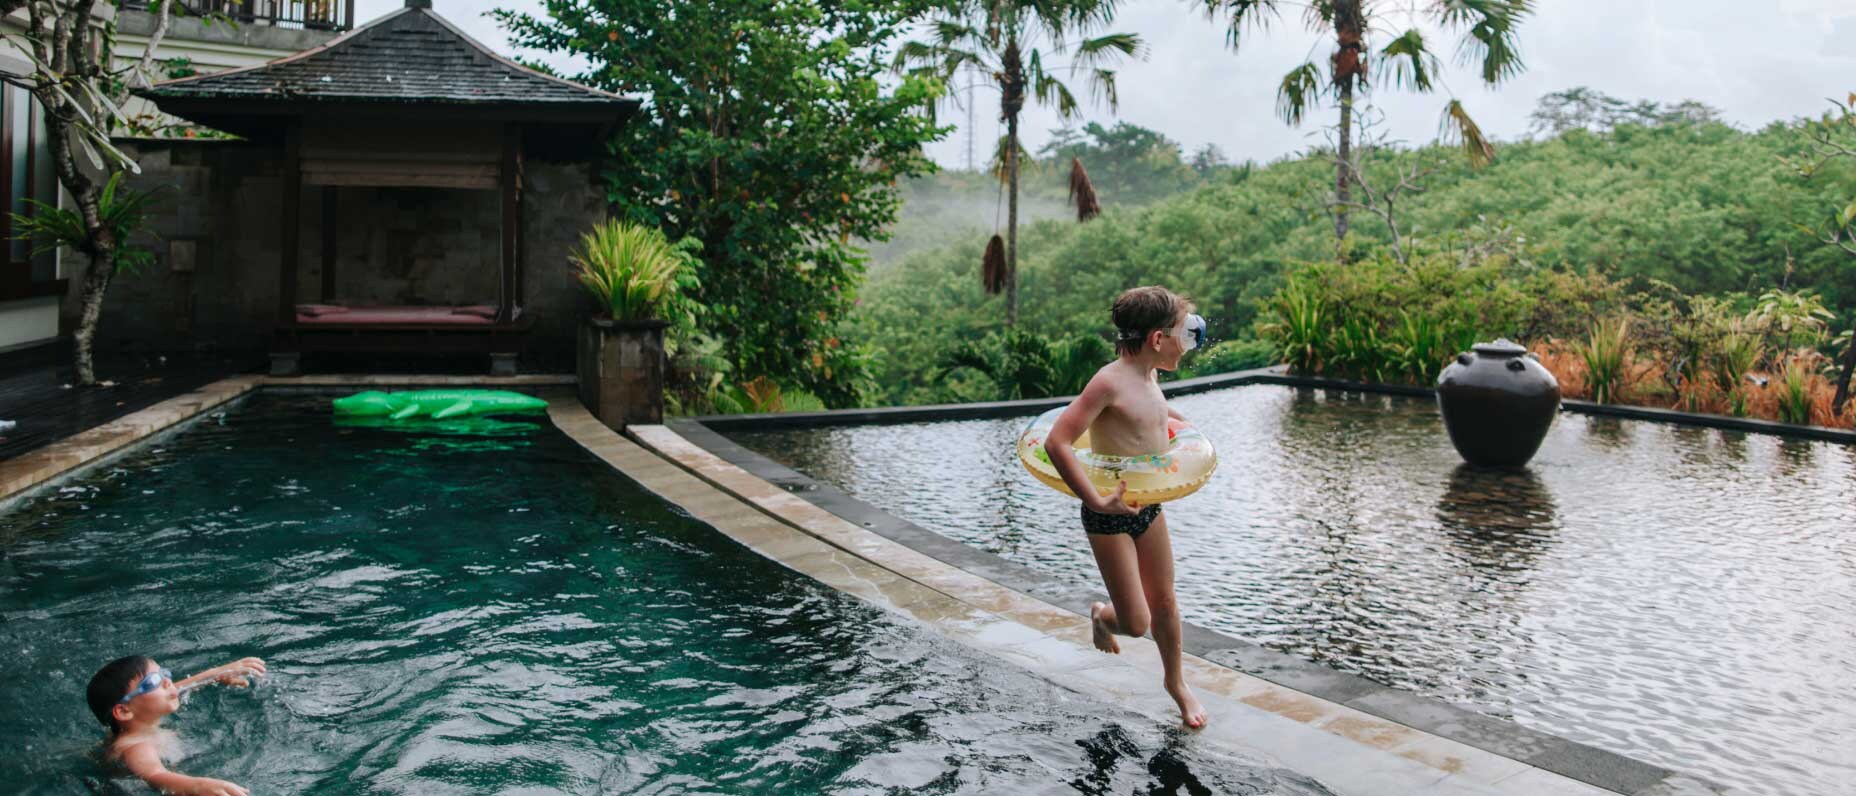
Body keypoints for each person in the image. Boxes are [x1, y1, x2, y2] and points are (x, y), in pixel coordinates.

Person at [1043, 285, 1208, 729]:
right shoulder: (1108, 382)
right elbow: (1057, 441)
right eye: (1183, 334)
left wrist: (1180, 426)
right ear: (1157, 340)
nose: (1188, 343)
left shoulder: (1150, 375)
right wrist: (1095, 498)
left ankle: (1176, 682)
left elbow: (1148, 416)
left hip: (1148, 505)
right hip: (1108, 515)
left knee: (1166, 603)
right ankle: (1102, 615)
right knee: (1137, 623)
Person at [85, 655, 267, 796]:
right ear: (124, 711)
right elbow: (155, 775)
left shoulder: (141, 717)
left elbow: (169, 691)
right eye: (152, 682)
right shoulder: (137, 748)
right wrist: (200, 786)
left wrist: (215, 674)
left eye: (163, 673)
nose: (167, 682)